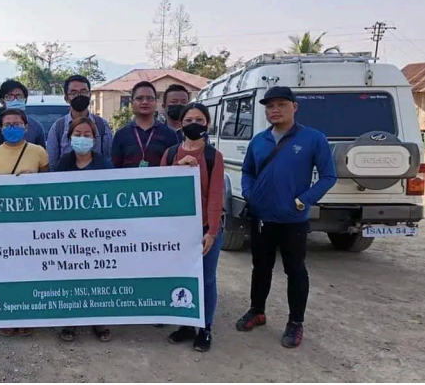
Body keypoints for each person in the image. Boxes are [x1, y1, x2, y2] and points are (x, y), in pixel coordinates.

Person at [236, 86, 337, 348]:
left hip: (293, 220)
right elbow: (247, 171)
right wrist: (249, 193)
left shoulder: (313, 138)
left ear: (294, 107)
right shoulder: (258, 140)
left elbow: (329, 176)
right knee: (260, 268)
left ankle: (295, 323)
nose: (275, 110)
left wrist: (305, 199)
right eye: (270, 106)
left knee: (295, 271)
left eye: (281, 104)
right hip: (261, 217)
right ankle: (257, 310)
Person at [160, 102, 224, 352]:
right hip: (178, 230)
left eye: (199, 120)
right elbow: (160, 189)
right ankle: (186, 324)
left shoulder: (213, 156)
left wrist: (212, 232)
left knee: (206, 280)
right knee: (182, 278)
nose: (193, 125)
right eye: (188, 120)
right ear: (181, 124)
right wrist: (177, 169)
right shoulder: (170, 153)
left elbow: (216, 196)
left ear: (207, 123)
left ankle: (205, 328)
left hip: (204, 229)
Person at [0, 108, 49, 336]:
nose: (13, 128)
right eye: (8, 125)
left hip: (32, 222)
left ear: (26, 127)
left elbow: (49, 184)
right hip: (3, 222)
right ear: (1, 129)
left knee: (30, 267)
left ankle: (28, 313)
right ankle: (7, 314)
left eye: (17, 124)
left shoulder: (39, 152)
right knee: (5, 268)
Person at [54, 117, 113, 342]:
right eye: (77, 134)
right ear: (70, 138)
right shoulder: (63, 163)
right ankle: (70, 322)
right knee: (70, 274)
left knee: (97, 274)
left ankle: (99, 321)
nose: (82, 138)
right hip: (69, 230)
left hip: (98, 230)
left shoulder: (103, 163)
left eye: (87, 134)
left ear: (95, 138)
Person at [47, 74, 113, 171]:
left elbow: (108, 158)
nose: (79, 96)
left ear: (90, 95)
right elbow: (52, 164)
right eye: (73, 93)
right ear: (66, 98)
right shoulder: (58, 128)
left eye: (83, 92)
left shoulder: (102, 125)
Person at [111, 81, 179, 168]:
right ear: (132, 103)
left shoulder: (169, 134)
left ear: (155, 102)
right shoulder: (121, 135)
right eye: (139, 98)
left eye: (150, 98)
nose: (145, 102)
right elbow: (115, 167)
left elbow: (175, 166)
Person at [0, 79, 46, 150]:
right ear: (2, 101)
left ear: (25, 100)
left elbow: (42, 156)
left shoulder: (36, 127)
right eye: (9, 97)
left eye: (19, 96)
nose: (15, 100)